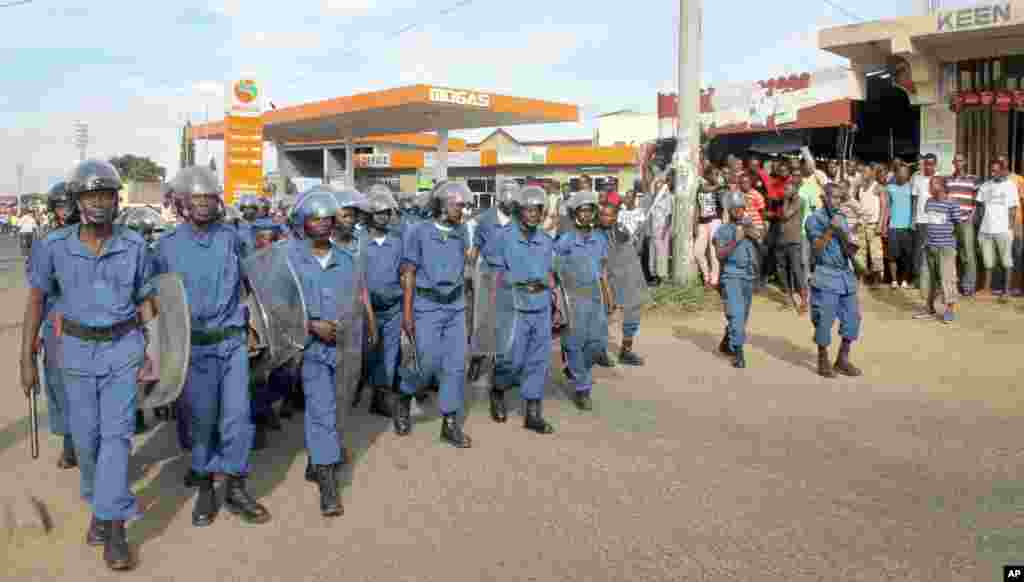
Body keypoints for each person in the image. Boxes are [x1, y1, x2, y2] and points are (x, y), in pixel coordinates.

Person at [21, 159, 156, 570]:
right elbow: (36, 300)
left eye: (107, 194)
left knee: (116, 436)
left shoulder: (135, 244)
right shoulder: (53, 245)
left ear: (118, 200)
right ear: (78, 200)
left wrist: (154, 348)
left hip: (123, 349)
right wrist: (24, 359)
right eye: (91, 195)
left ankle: (114, 527)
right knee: (87, 439)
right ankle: (100, 506)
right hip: (74, 352)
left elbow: (147, 300)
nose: (99, 202)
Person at [154, 166, 271, 528]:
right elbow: (159, 302)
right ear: (183, 203)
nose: (203, 205)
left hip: (232, 344)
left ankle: (235, 487)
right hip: (196, 348)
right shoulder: (166, 246)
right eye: (196, 199)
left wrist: (258, 327)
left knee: (237, 417)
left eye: (209, 198)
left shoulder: (232, 237)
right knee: (202, 421)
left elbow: (254, 281)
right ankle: (205, 485)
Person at [288, 190, 376, 516]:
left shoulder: (348, 260)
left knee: (338, 407)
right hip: (310, 349)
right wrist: (311, 324)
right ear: (303, 223)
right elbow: (281, 306)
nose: (323, 224)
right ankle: (328, 483)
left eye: (327, 217)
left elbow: (356, 301)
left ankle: (318, 457)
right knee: (321, 408)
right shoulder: (290, 260)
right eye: (315, 218)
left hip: (343, 348)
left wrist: (367, 326)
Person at [395, 181, 473, 447]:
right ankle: (404, 395)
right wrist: (407, 313)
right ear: (441, 205)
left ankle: (449, 423)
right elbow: (409, 274)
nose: (461, 209)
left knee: (455, 365)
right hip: (426, 307)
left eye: (462, 205)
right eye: (457, 204)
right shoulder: (418, 232)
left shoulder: (462, 231)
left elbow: (464, 265)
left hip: (456, 306)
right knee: (426, 364)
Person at [488, 186, 556, 433]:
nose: (533, 215)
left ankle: (533, 413)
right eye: (528, 210)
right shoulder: (504, 237)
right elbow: (493, 273)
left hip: (541, 305)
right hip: (513, 304)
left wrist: (555, 299)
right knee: (511, 359)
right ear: (519, 211)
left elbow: (550, 273)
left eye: (538, 210)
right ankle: (497, 389)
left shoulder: (546, 241)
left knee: (539, 360)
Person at [31, 181, 78, 469]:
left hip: (86, 322)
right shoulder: (45, 243)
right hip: (54, 325)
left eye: (69, 206)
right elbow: (37, 295)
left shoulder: (91, 236)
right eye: (60, 206)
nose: (65, 212)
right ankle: (69, 444)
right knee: (59, 387)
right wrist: (34, 334)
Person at [556, 191, 612, 411]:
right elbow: (555, 269)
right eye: (583, 210)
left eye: (590, 210)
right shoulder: (566, 239)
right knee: (575, 343)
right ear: (575, 213)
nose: (587, 214)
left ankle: (575, 367)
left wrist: (609, 296)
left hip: (595, 297)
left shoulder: (599, 238)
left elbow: (603, 271)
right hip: (573, 298)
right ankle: (582, 388)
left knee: (597, 345)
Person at [806, 184, 862, 379]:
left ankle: (842, 359)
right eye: (833, 198)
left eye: (840, 198)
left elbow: (848, 249)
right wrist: (831, 229)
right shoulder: (814, 220)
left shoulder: (842, 218)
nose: (837, 202)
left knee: (853, 319)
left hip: (845, 275)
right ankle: (823, 359)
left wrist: (847, 238)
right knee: (824, 320)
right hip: (826, 274)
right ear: (824, 198)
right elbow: (817, 249)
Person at [363, 190, 404, 419]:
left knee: (390, 355)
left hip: (393, 309)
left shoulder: (396, 242)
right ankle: (363, 385)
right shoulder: (359, 243)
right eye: (378, 213)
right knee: (369, 354)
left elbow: (403, 274)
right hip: (367, 310)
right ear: (370, 215)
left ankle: (380, 397)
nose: (383, 217)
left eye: (386, 213)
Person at [597, 195, 646, 366]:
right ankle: (600, 351)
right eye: (603, 215)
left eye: (610, 215)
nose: (606, 218)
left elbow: (633, 249)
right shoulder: (595, 235)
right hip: (607, 279)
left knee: (633, 313)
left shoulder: (622, 229)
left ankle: (626, 351)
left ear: (616, 215)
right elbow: (600, 264)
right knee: (602, 315)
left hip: (630, 277)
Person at [714, 191, 759, 368]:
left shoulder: (748, 226)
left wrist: (752, 233)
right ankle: (738, 353)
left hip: (748, 275)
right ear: (729, 210)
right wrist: (736, 240)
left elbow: (759, 244)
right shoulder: (722, 230)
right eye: (735, 209)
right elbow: (719, 254)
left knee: (743, 316)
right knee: (737, 315)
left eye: (742, 208)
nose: (739, 212)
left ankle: (727, 340)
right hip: (731, 275)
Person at [914, 176, 962, 323]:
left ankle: (949, 310)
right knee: (929, 279)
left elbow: (958, 225)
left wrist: (952, 243)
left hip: (946, 247)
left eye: (932, 184)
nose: (929, 186)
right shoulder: (929, 202)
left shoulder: (952, 203)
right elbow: (930, 223)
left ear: (942, 186)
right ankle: (929, 308)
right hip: (930, 246)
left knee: (948, 279)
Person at [977, 159, 1019, 299]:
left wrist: (1011, 228)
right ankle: (986, 289)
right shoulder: (985, 186)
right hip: (986, 229)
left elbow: (1013, 208)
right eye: (992, 170)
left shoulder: (1010, 186)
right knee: (988, 260)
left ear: (1002, 170)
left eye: (996, 170)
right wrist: (980, 225)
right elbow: (980, 207)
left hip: (1003, 229)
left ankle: (1006, 291)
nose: (993, 172)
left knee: (1006, 260)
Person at [945, 153, 981, 296]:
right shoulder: (947, 180)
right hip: (950, 222)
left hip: (966, 221)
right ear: (953, 163)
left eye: (961, 160)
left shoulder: (973, 179)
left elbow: (978, 201)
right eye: (956, 161)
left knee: (968, 255)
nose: (958, 163)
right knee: (949, 254)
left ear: (965, 162)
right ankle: (950, 285)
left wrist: (972, 216)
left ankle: (968, 287)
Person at [881, 165, 915, 289]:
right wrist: (884, 225)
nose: (902, 174)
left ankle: (905, 280)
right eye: (900, 172)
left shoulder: (912, 188)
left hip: (907, 227)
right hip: (893, 226)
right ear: (896, 173)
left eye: (905, 172)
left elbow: (914, 205)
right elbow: (887, 208)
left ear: (908, 175)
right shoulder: (890, 188)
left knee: (907, 255)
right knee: (892, 256)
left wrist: (913, 221)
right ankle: (894, 281)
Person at [778, 181, 808, 312]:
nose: (785, 191)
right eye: (785, 189)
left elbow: (785, 215)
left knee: (796, 269)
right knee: (781, 269)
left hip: (793, 240)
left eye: (788, 189)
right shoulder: (789, 201)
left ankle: (804, 300)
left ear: (795, 189)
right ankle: (788, 297)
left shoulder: (799, 201)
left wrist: (784, 199)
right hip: (782, 240)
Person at [693, 166, 723, 289]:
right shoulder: (700, 188)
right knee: (698, 252)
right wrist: (695, 224)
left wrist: (718, 184)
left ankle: (714, 280)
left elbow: (724, 207)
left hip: (714, 221)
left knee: (713, 252)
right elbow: (697, 207)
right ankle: (706, 276)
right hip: (702, 223)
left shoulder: (720, 189)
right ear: (707, 175)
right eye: (714, 174)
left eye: (717, 174)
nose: (716, 177)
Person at [912, 154, 939, 287]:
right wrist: (913, 218)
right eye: (926, 163)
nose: (929, 166)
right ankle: (918, 279)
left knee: (935, 250)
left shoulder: (940, 178)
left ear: (935, 164)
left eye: (931, 163)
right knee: (919, 250)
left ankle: (935, 280)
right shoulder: (917, 179)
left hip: (936, 220)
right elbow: (915, 200)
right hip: (921, 219)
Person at [858, 165, 886, 285]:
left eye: (866, 172)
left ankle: (877, 279)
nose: (864, 174)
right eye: (863, 172)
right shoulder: (861, 188)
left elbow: (884, 207)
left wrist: (880, 224)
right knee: (861, 253)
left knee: (876, 253)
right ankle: (862, 277)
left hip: (873, 224)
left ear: (872, 174)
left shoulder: (878, 187)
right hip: (862, 224)